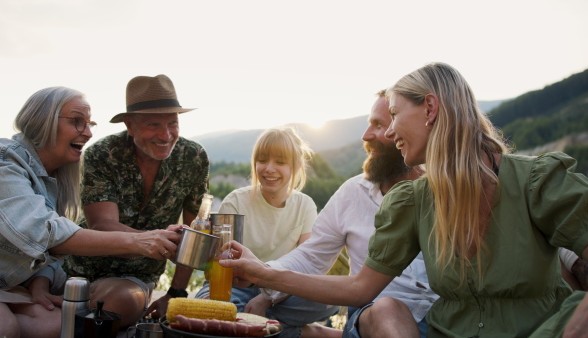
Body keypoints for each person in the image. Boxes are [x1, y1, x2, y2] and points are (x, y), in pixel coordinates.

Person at [221, 62, 588, 337]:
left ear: (430, 109)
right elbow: (360, 288)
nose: (390, 130)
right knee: (385, 308)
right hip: (443, 331)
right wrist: (263, 273)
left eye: (394, 115)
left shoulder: (536, 181)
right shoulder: (414, 202)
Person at [0, 87, 181, 338]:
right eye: (77, 122)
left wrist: (40, 281)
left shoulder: (53, 176)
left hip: (9, 282)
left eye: (89, 124)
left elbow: (45, 251)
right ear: (42, 121)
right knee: (0, 328)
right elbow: (45, 233)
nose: (88, 133)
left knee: (60, 324)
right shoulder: (1, 162)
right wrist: (142, 241)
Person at [261, 90, 438, 338]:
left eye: (379, 124)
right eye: (369, 124)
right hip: (373, 316)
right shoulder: (353, 192)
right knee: (386, 309)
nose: (366, 136)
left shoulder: (444, 192)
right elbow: (312, 256)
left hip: (441, 319)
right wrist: (260, 275)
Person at [63, 74, 210, 327]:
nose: (166, 135)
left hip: (135, 278)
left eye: (172, 123)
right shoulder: (103, 153)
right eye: (153, 124)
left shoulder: (194, 157)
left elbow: (195, 234)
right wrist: (153, 239)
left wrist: (176, 293)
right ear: (130, 125)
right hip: (79, 268)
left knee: (117, 305)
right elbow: (102, 225)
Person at [195, 127, 338, 338]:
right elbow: (218, 268)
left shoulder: (305, 205)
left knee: (330, 299)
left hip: (284, 293)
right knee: (209, 308)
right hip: (235, 289)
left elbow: (308, 268)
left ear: (296, 166)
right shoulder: (235, 201)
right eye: (262, 160)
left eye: (280, 162)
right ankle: (298, 332)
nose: (269, 169)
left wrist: (267, 298)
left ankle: (250, 324)